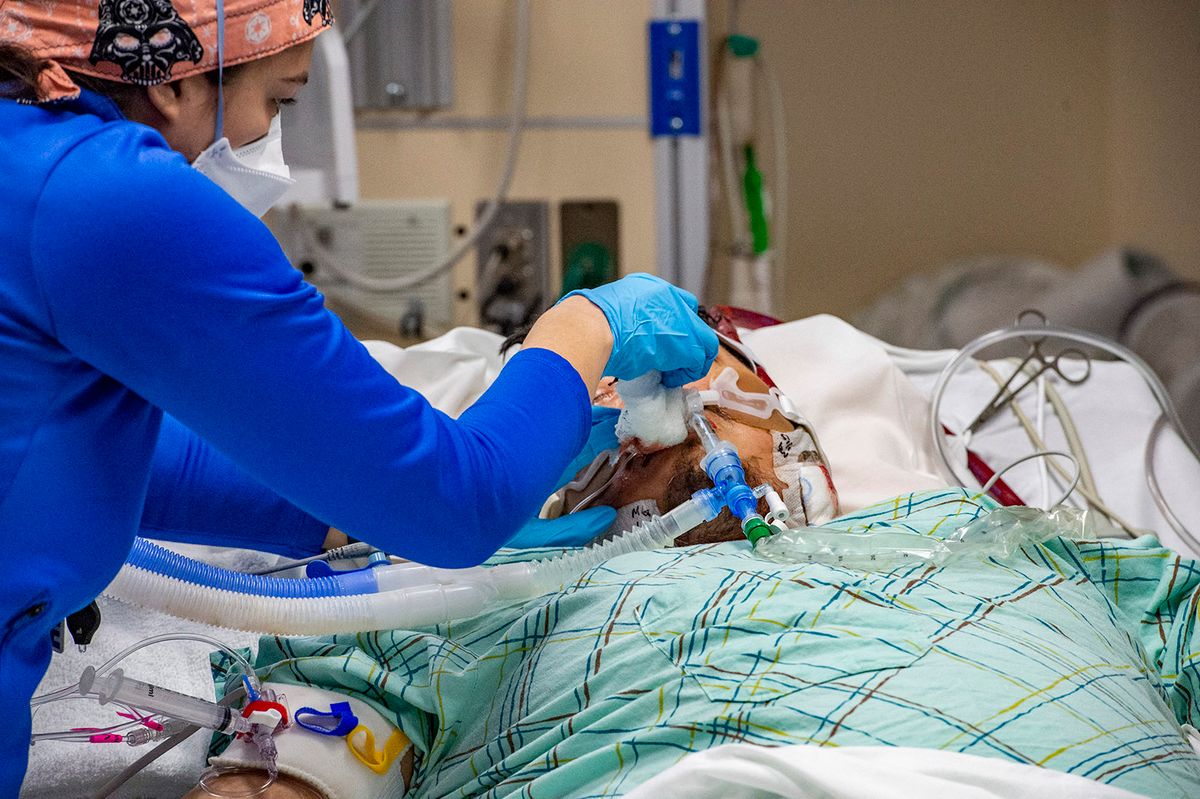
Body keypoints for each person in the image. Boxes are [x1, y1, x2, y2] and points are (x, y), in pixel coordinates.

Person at [0, 0, 718, 792]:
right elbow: (458, 502)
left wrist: (345, 511)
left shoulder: (25, 156)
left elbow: (56, 445)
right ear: (173, 82)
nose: (267, 144)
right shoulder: (110, 199)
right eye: (279, 101)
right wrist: (588, 325)